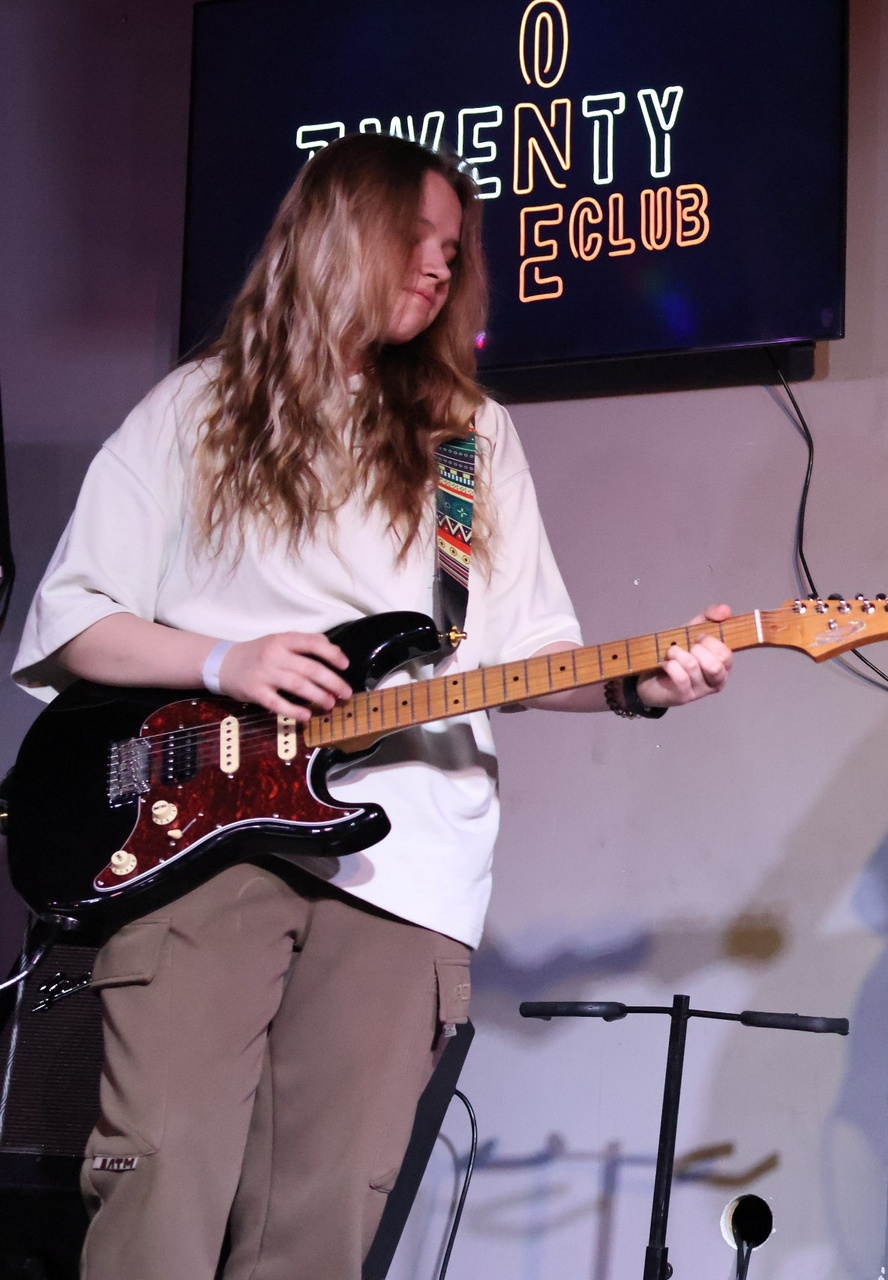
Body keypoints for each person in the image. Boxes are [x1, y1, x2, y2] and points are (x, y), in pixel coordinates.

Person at [11, 134, 734, 1279]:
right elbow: (74, 619)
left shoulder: (466, 438)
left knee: (324, 1219)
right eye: (417, 239)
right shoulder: (196, 408)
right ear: (341, 234)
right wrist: (223, 659)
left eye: (455, 249)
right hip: (201, 840)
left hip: (407, 864)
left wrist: (641, 683)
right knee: (162, 1171)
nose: (442, 266)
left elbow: (521, 649)